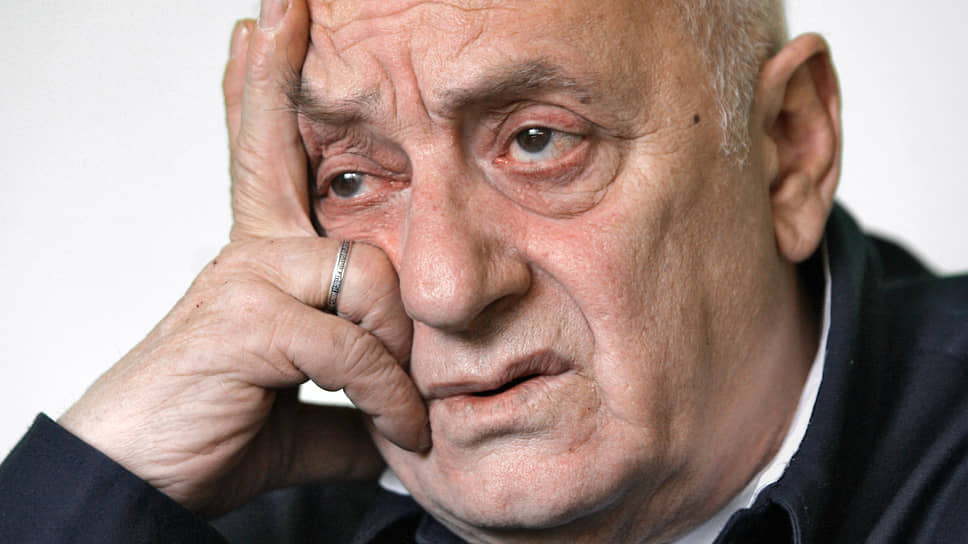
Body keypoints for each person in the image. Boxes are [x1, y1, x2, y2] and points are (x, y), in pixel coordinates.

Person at [1, 0, 966, 542]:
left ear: (788, 147)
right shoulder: (229, 521)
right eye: (351, 177)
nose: (443, 289)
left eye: (538, 141)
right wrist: (100, 479)